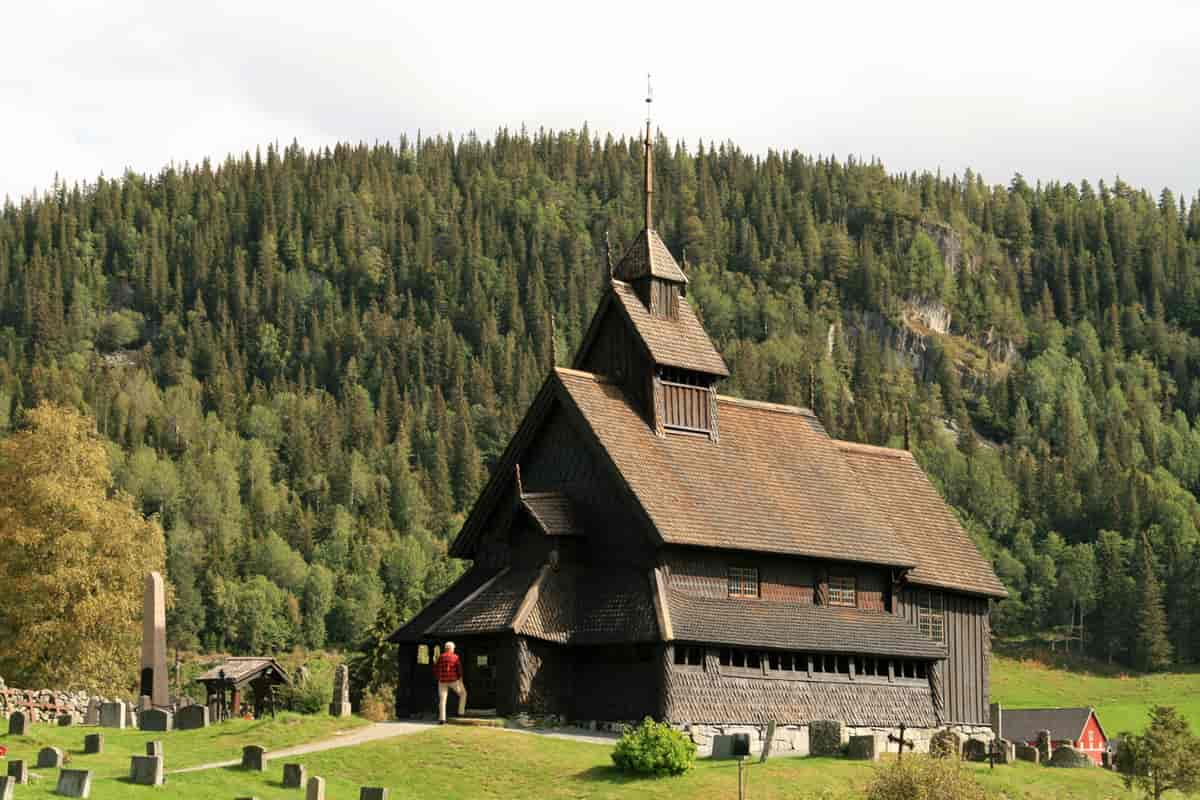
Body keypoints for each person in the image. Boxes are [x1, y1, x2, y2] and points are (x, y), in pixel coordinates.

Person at [434, 641, 466, 724]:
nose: (454, 649)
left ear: (445, 648)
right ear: (451, 649)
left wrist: (439, 677)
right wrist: (460, 680)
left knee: (442, 699)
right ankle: (461, 713)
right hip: (453, 680)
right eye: (453, 648)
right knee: (463, 694)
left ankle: (442, 719)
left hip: (442, 681)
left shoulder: (441, 657)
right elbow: (459, 670)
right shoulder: (455, 657)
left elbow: (436, 669)